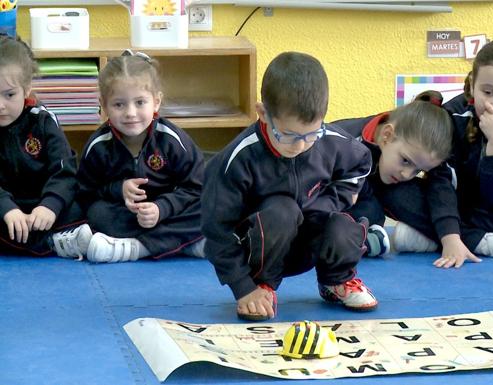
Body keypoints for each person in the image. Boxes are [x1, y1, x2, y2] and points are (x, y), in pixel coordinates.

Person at [202, 52, 377, 321]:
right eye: (288, 135)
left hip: (310, 241)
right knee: (281, 211)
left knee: (342, 224)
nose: (300, 146)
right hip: (263, 249)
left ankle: (336, 281)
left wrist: (326, 204)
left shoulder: (333, 142)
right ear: (262, 114)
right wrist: (243, 288)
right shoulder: (236, 159)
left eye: (311, 135)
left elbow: (360, 166)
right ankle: (264, 287)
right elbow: (217, 232)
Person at [397, 39, 493, 268]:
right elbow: (440, 181)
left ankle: (430, 237)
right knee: (395, 188)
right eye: (487, 92)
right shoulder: (451, 116)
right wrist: (450, 236)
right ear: (472, 85)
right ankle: (475, 241)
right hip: (448, 202)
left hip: (491, 208)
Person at [75, 50, 205, 263]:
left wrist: (161, 208)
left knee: (210, 207)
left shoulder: (172, 140)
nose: (130, 113)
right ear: (104, 105)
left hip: (170, 212)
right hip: (126, 215)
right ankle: (184, 243)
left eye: (140, 102)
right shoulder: (98, 146)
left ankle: (136, 248)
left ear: (156, 102)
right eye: (119, 104)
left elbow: (196, 187)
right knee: (96, 214)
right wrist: (118, 189)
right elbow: (84, 193)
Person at [330, 91, 455, 258]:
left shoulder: (403, 155)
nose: (407, 174)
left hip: (370, 193)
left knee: (392, 201)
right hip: (322, 193)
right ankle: (352, 239)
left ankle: (472, 237)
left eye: (418, 171)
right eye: (405, 161)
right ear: (387, 136)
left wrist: (452, 238)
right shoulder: (342, 144)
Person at [0, 34, 87, 258]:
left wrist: (50, 205)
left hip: (43, 206)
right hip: (6, 210)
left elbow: (65, 170)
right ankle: (53, 243)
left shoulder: (43, 120)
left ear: (27, 89)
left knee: (92, 209)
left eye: (9, 95)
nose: (1, 105)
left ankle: (40, 240)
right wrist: (6, 208)